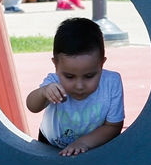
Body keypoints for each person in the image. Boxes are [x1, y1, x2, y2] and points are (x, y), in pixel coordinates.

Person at [25, 18, 124, 156]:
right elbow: (32, 106)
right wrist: (43, 92)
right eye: (69, 77)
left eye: (89, 76)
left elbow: (113, 126)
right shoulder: (54, 82)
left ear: (102, 63)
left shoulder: (111, 83)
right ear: (56, 65)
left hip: (93, 143)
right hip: (50, 143)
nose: (79, 86)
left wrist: (84, 142)